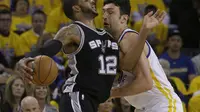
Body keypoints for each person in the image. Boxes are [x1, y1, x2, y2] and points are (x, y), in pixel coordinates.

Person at [103, 0, 183, 112]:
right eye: (103, 12)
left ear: (124, 18)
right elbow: (127, 65)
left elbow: (145, 83)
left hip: (162, 105)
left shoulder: (129, 37)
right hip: (143, 108)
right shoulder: (114, 43)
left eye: (110, 12)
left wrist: (112, 93)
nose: (104, 16)